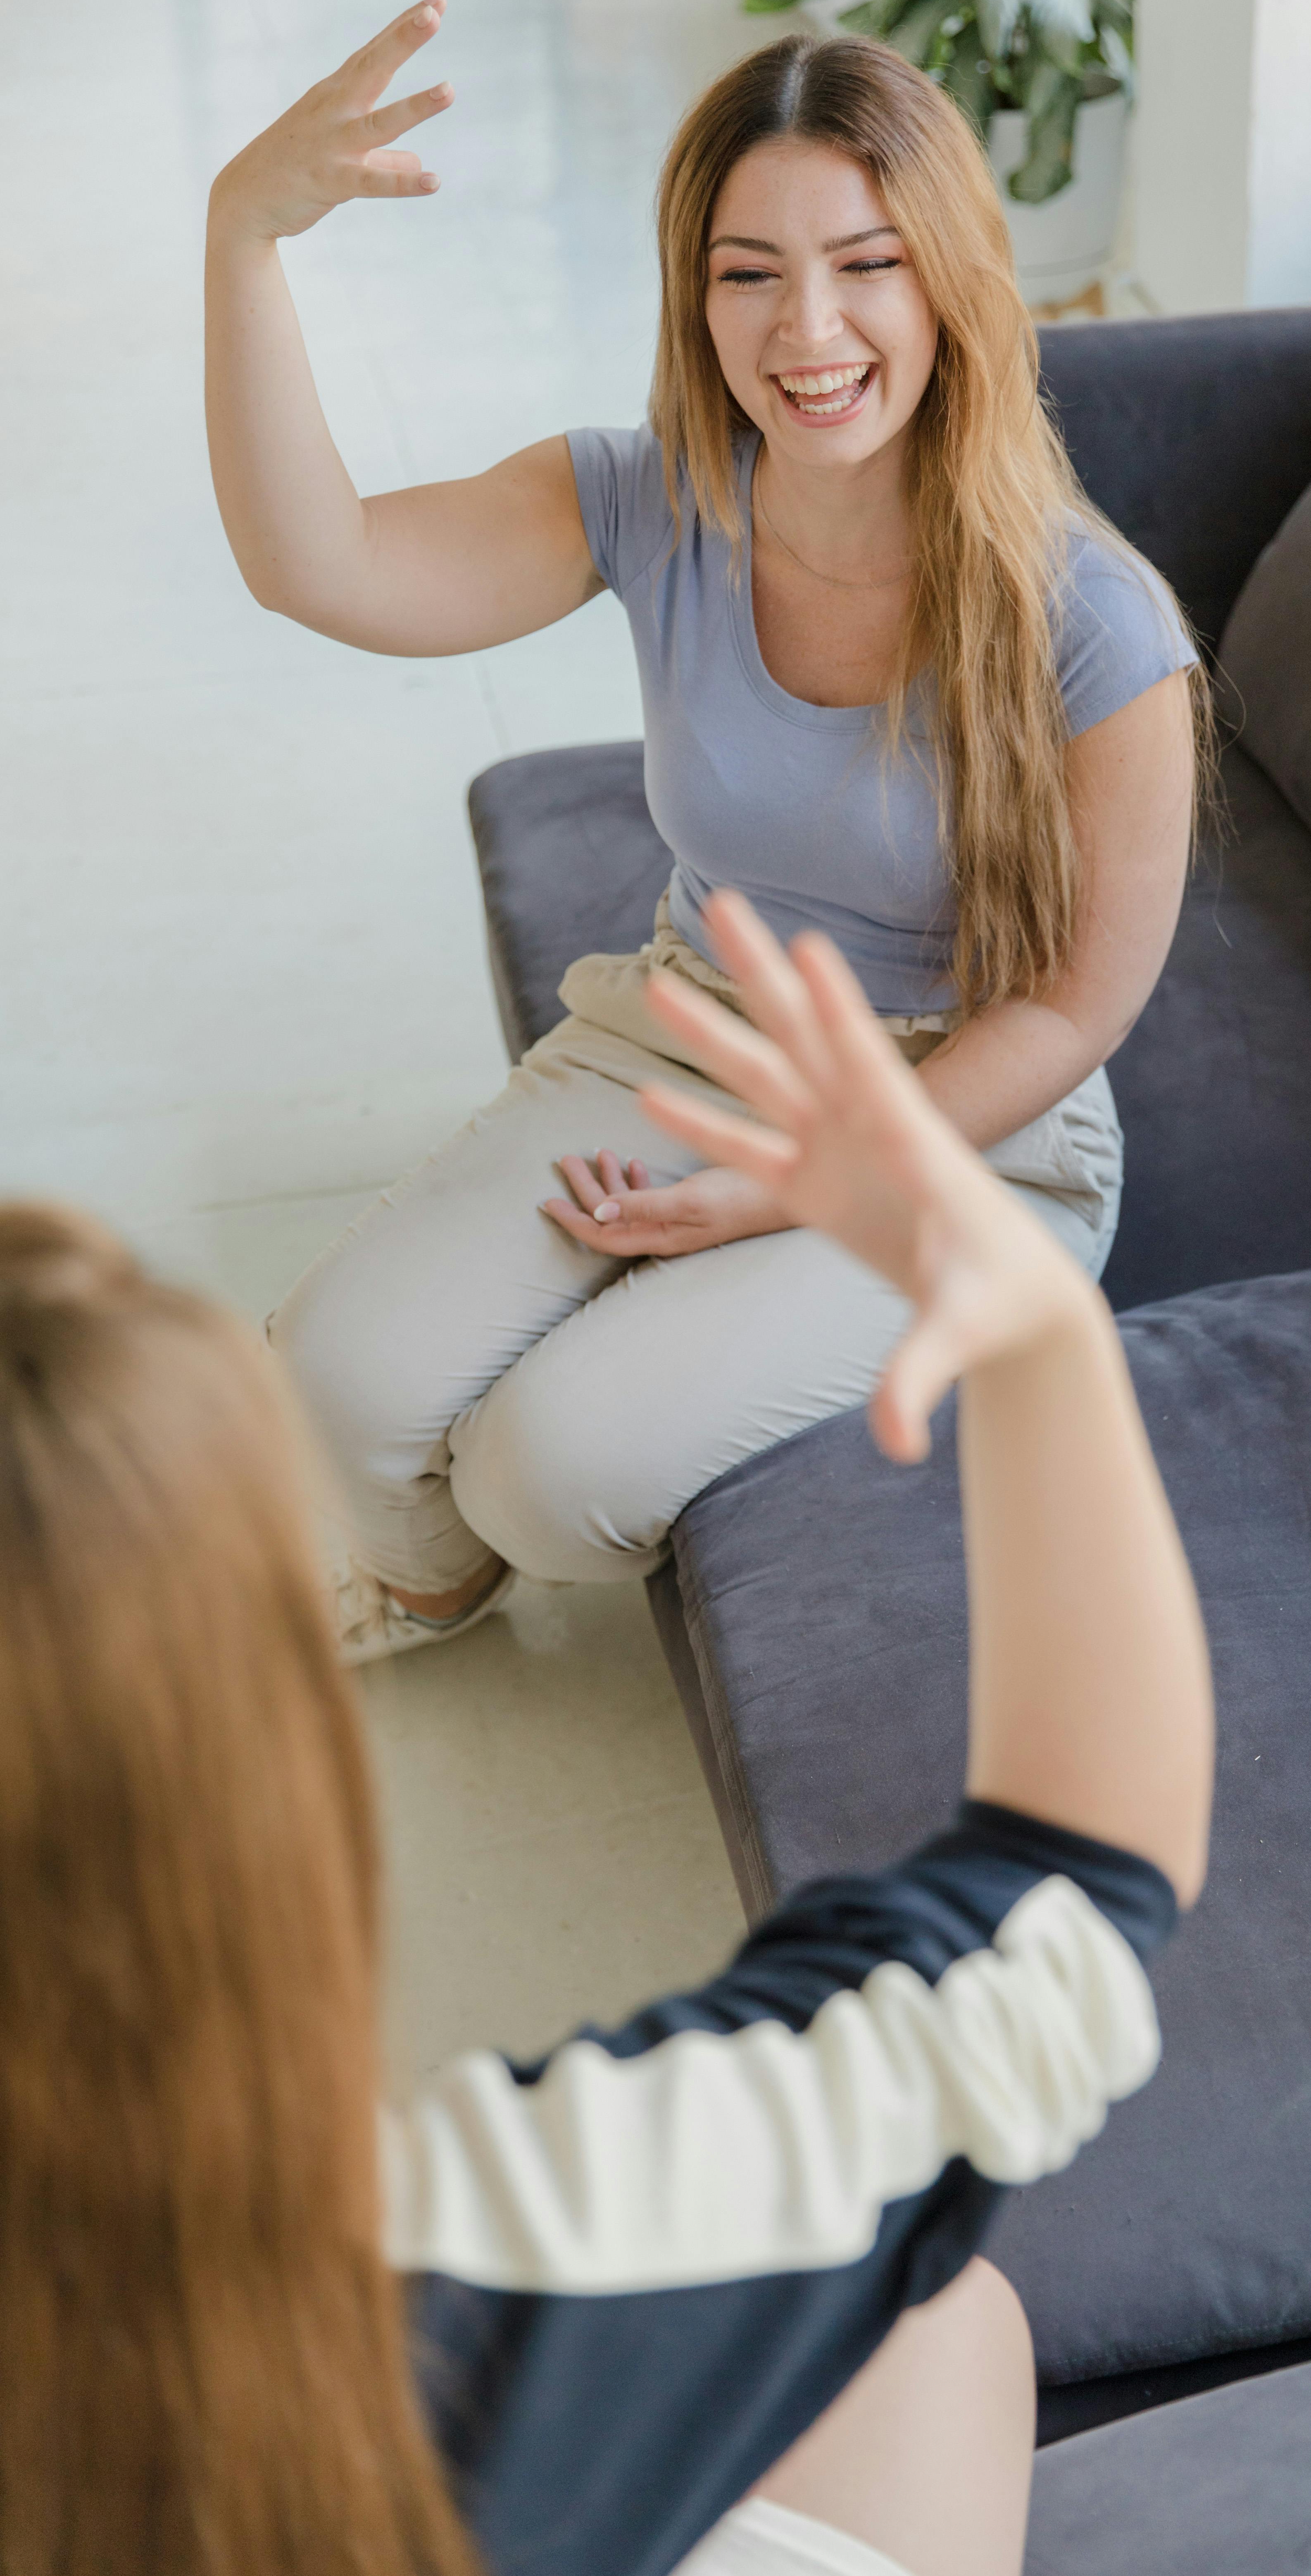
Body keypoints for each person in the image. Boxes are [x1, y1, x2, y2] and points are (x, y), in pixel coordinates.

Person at [0, 893, 1214, 2576]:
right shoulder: (542, 2239)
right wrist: (1025, 1321)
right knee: (944, 2325)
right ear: (251, 1789)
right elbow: (1072, 1885)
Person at [204, 0, 1206, 1658]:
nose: (805, 328)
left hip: (963, 1136)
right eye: (748, 271)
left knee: (547, 1474)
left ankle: (568, 1454)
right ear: (695, 294)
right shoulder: (646, 496)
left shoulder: (1097, 624)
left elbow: (1076, 1006)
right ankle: (430, 1581)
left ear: (947, 272)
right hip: (691, 1037)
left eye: (863, 260)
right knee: (331, 1379)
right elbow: (323, 568)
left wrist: (795, 1188)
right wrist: (246, 237)